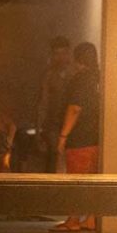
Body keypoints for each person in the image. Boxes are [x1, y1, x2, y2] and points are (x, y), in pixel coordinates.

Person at [50, 42, 101, 232]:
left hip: (79, 140)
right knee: (94, 180)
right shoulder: (100, 78)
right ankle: (91, 219)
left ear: (77, 59)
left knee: (75, 181)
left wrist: (63, 136)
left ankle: (72, 220)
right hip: (97, 138)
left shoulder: (80, 79)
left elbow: (75, 108)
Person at [36, 36, 76, 173]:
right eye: (57, 54)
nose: (60, 57)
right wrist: (39, 130)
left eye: (63, 53)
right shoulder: (48, 76)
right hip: (53, 125)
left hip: (75, 124)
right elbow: (43, 104)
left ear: (69, 53)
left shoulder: (76, 74)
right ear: (52, 55)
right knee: (54, 159)